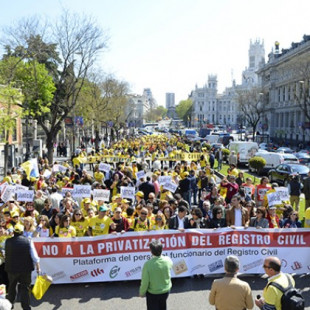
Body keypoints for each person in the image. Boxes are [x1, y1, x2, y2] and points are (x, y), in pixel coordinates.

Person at [5, 224, 40, 310]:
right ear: (22, 232)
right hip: (26, 269)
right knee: (25, 288)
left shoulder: (7, 241)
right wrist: (38, 267)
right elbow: (35, 257)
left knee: (12, 287)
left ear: (13, 232)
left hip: (12, 269)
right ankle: (26, 307)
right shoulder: (28, 241)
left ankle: (9, 305)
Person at [139, 240, 173, 310]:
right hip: (165, 290)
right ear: (162, 249)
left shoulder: (147, 264)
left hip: (153, 293)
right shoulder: (168, 260)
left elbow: (145, 281)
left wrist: (142, 292)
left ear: (151, 251)